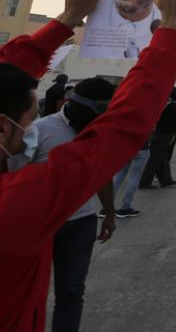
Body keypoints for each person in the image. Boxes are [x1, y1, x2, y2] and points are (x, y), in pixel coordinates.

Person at [0, 0, 176, 331]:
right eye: (27, 121)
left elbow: (6, 69)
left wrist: (67, 19)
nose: (32, 128)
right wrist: (171, 30)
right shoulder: (17, 203)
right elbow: (120, 127)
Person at [14, 77, 118, 332]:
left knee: (71, 293)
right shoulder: (40, 130)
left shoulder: (98, 132)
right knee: (27, 292)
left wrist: (109, 212)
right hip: (40, 226)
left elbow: (101, 175)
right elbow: (16, 178)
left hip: (80, 224)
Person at [139, 87, 176, 189]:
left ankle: (165, 180)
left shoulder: (164, 103)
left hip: (160, 133)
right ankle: (145, 182)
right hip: (164, 135)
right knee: (155, 159)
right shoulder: (172, 106)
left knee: (162, 159)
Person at [112, 141, 150, 218]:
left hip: (125, 146)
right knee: (134, 177)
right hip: (141, 147)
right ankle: (126, 206)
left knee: (119, 175)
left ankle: (107, 206)